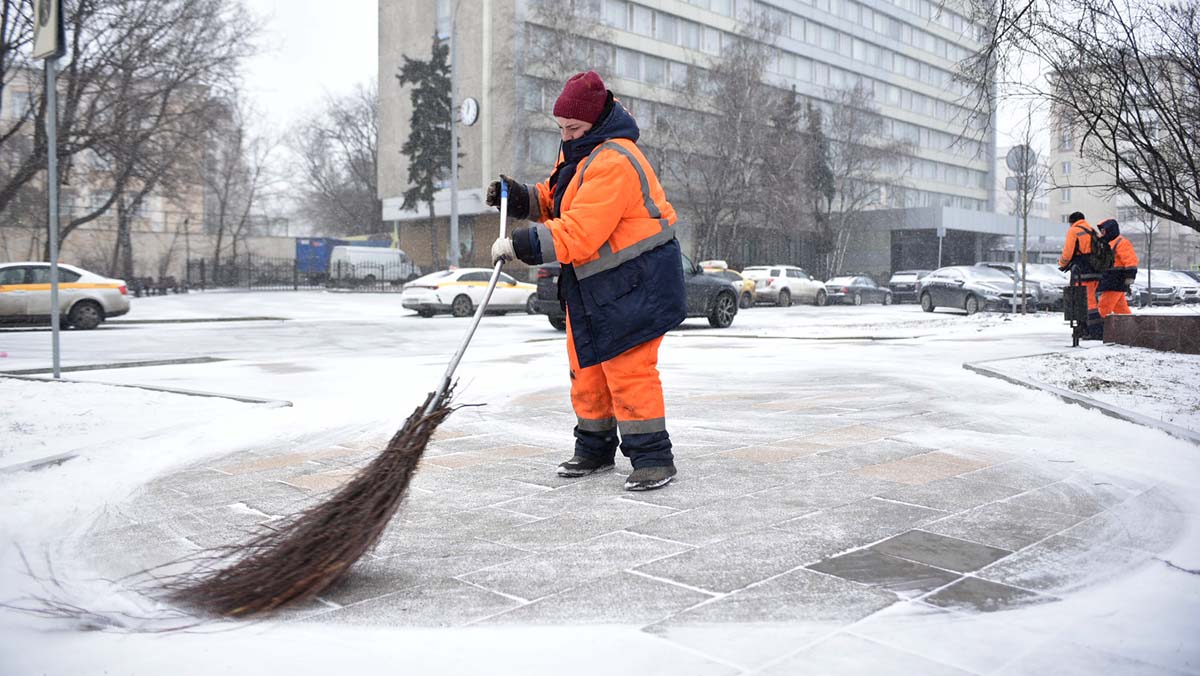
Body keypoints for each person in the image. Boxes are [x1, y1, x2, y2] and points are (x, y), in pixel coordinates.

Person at [486, 71, 686, 492]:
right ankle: (593, 450)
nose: (566, 135)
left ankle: (653, 459)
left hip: (636, 281)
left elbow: (579, 231)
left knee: (629, 370)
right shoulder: (581, 152)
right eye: (560, 128)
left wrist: (520, 244)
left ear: (595, 121)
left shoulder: (614, 160)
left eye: (573, 127)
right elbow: (560, 197)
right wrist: (522, 198)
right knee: (588, 369)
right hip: (596, 284)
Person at [1057, 211, 1103, 340]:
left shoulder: (1074, 231)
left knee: (1083, 301)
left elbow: (1067, 252)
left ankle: (1092, 331)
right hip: (1095, 269)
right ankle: (1092, 329)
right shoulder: (1092, 230)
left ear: (1072, 221)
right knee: (1093, 299)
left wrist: (1062, 263)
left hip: (1081, 270)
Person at [1095, 218, 1138, 320]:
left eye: (1103, 231)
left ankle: (1100, 329)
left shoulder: (1121, 242)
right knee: (1121, 309)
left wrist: (1130, 276)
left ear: (1110, 230)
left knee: (1104, 307)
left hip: (1115, 280)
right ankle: (1131, 328)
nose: (1102, 233)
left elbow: (1130, 260)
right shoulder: (1108, 243)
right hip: (1112, 280)